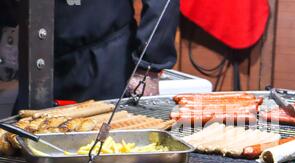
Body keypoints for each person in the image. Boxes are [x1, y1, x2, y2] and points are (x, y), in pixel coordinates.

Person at [0, 0, 179, 111]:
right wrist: (7, 29)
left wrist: (149, 66)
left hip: (105, 58)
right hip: (37, 57)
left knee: (106, 153)